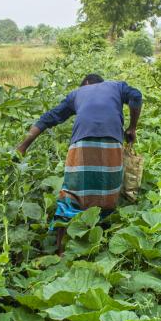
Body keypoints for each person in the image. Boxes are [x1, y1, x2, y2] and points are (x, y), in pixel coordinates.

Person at [16, 74, 142, 254]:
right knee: (107, 193)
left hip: (82, 144)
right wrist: (132, 127)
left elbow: (49, 117)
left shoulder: (76, 93)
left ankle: (61, 250)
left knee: (72, 193)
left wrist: (23, 145)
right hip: (112, 143)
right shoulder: (117, 86)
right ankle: (95, 243)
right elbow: (136, 96)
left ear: (87, 83)